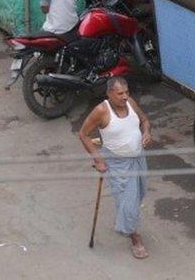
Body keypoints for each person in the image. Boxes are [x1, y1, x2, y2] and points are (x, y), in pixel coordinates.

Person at [77, 76, 152, 259]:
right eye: (120, 94)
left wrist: (147, 133)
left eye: (126, 92)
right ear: (109, 94)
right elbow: (83, 134)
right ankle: (135, 237)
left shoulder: (130, 103)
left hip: (138, 158)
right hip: (118, 163)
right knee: (129, 204)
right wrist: (98, 160)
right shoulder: (101, 111)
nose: (124, 97)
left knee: (137, 195)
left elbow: (144, 120)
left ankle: (126, 222)